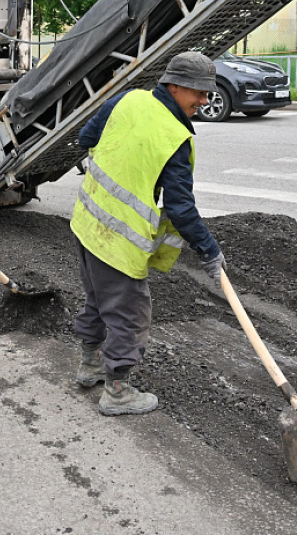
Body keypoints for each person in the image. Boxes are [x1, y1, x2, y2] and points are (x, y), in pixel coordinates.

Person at [69, 51, 227, 416]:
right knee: (129, 312)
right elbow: (180, 208)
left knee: (97, 301)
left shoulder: (128, 99)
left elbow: (84, 138)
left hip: (86, 222)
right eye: (198, 94)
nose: (203, 102)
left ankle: (90, 366)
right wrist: (209, 251)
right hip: (118, 240)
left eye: (206, 94)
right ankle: (118, 392)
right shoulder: (173, 137)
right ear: (174, 86)